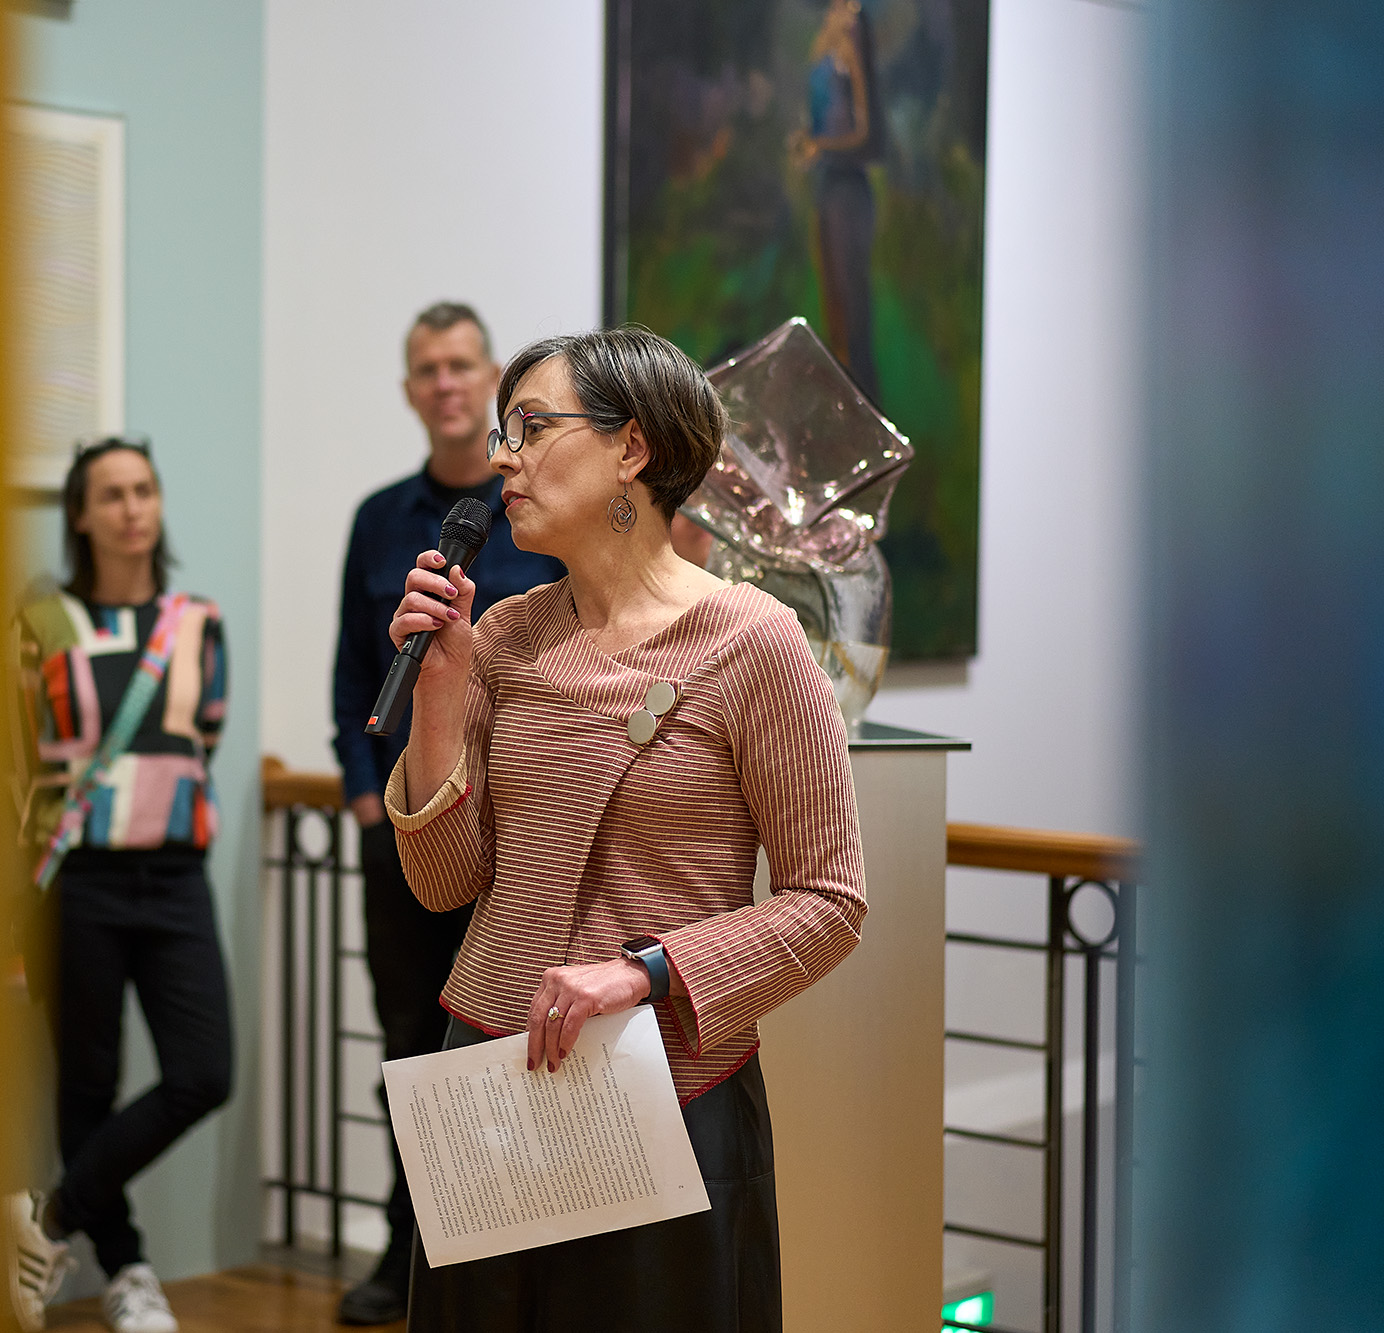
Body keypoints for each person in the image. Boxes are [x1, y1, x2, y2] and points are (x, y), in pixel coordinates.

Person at [383, 327, 866, 1331]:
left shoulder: (752, 641)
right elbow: (442, 882)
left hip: (666, 1090)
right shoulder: (505, 636)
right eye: (499, 433)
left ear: (631, 449)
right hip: (489, 1076)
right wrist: (440, 690)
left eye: (530, 426)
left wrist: (642, 971)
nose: (500, 458)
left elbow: (829, 901)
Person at [331, 302, 564, 1325]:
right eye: (426, 368)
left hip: (513, 835)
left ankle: (499, 1244)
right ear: (409, 390)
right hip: (405, 822)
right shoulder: (381, 517)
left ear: (490, 382)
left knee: (496, 1039)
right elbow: (353, 669)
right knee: (406, 1040)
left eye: (461, 364)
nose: (445, 384)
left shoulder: (534, 516)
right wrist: (358, 787)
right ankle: (410, 1241)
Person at [5, 438, 232, 1333]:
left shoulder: (197, 620)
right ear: (81, 514)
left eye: (144, 490)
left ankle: (48, 1214)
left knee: (203, 1073)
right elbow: (14, 767)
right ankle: (129, 1268)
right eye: (112, 494)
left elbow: (198, 741)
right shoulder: (41, 623)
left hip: (176, 875)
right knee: (86, 1087)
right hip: (75, 881)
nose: (133, 508)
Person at [791, 0, 885, 404]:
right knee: (833, 322)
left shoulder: (853, 27)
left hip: (849, 191)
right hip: (826, 189)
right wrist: (808, 142)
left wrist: (820, 146)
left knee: (853, 319)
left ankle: (871, 430)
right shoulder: (824, 33)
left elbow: (869, 135)